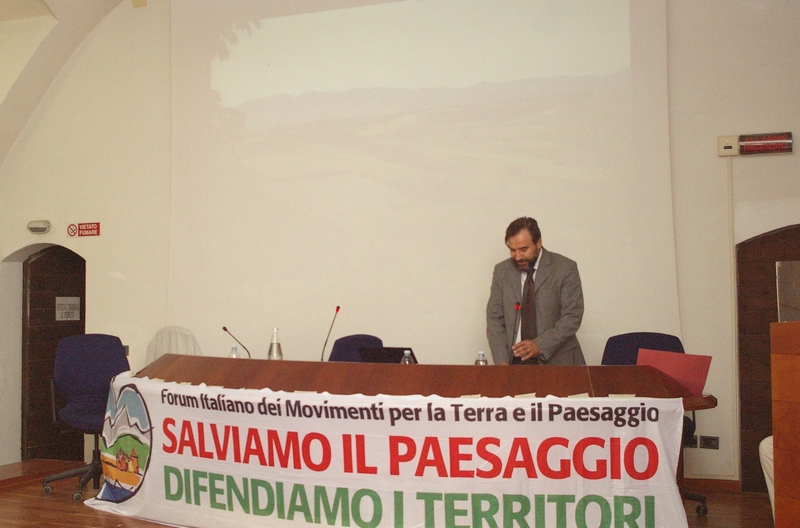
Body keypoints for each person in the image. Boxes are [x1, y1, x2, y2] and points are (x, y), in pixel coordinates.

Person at [486, 217, 585, 365]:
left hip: (558, 361)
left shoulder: (565, 268)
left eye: (524, 249)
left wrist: (540, 345)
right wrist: (502, 363)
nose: (518, 256)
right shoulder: (502, 271)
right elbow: (495, 319)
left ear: (538, 243)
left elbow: (572, 316)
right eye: (512, 250)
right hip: (515, 364)